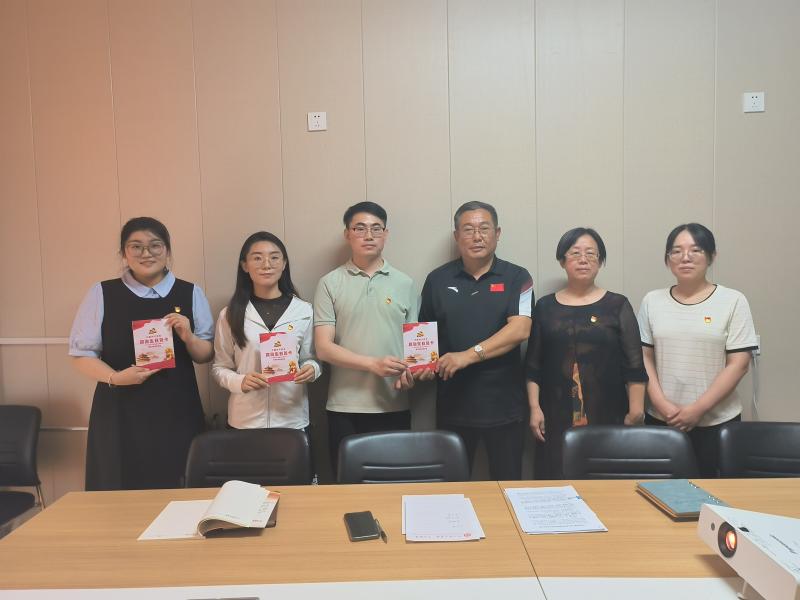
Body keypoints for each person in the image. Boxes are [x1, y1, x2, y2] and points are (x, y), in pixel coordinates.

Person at [69, 217, 214, 490]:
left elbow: (205, 354)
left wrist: (188, 336)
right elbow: (81, 355)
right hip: (119, 409)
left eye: (155, 245)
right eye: (136, 246)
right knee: (119, 487)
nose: (146, 253)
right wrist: (115, 378)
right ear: (124, 253)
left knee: (178, 485)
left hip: (177, 409)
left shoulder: (190, 292)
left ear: (167, 250)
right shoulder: (102, 292)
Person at [418, 201, 533, 480]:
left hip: (505, 407)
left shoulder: (518, 277)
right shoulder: (437, 280)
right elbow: (424, 336)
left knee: (507, 488)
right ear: (457, 236)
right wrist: (418, 368)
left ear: (497, 233)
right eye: (468, 229)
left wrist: (467, 356)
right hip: (453, 405)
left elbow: (520, 329)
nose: (477, 236)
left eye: (484, 228)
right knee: (451, 490)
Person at [526, 228, 648, 479]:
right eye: (575, 253)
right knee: (556, 478)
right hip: (554, 414)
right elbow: (533, 365)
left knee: (606, 481)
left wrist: (636, 411)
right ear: (562, 260)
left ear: (600, 261)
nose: (583, 260)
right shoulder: (545, 307)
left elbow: (634, 364)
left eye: (591, 254)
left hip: (608, 412)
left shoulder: (617, 305)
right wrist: (534, 408)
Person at [638, 223, 757, 478]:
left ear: (711, 256)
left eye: (696, 250)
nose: (685, 257)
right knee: (660, 490)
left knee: (711, 493)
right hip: (662, 419)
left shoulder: (733, 301)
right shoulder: (652, 301)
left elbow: (739, 364)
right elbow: (645, 357)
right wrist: (661, 404)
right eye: (676, 251)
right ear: (667, 259)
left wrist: (697, 409)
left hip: (716, 421)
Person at [313, 202, 418, 472]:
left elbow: (415, 348)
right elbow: (323, 348)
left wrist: (412, 373)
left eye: (376, 229)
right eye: (359, 228)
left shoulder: (405, 283)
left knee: (394, 482)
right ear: (347, 234)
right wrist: (372, 364)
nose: (368, 235)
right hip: (344, 406)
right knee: (347, 484)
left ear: (386, 234)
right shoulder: (329, 283)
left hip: (393, 404)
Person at [212, 232, 321, 431]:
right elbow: (220, 367)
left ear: (284, 263)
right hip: (245, 420)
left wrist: (312, 369)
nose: (266, 264)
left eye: (274, 257)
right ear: (245, 265)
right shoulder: (230, 314)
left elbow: (311, 358)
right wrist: (240, 381)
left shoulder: (304, 311)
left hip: (291, 418)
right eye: (257, 258)